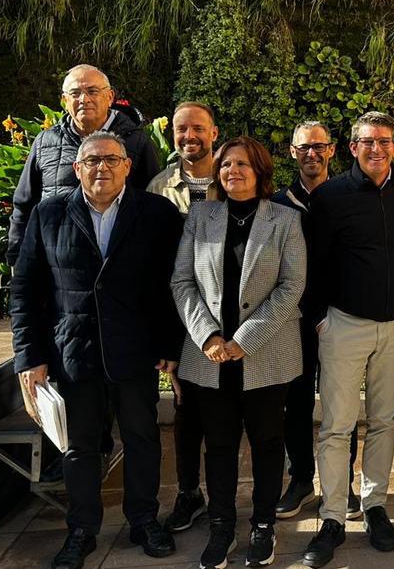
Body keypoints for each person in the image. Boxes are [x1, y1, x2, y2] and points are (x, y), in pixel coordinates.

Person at [11, 131, 183, 569]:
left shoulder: (157, 212)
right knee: (80, 448)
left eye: (111, 159)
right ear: (77, 168)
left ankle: (144, 520)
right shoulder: (49, 213)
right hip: (74, 353)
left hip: (135, 352)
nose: (101, 167)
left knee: (143, 439)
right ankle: (82, 530)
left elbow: (170, 287)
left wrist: (168, 346)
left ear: (128, 165)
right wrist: (29, 356)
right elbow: (26, 289)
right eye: (92, 161)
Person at [300, 111, 394, 568]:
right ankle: (333, 515)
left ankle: (374, 506)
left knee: (385, 420)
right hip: (343, 324)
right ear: (352, 147)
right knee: (336, 426)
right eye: (367, 142)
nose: (377, 149)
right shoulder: (330, 197)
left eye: (385, 141)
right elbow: (311, 264)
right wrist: (319, 320)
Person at [171, 136, 306, 569]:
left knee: (268, 443)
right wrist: (208, 336)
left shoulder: (285, 220)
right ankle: (221, 526)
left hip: (264, 354)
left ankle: (263, 525)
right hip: (209, 358)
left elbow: (292, 286)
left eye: (243, 164)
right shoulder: (200, 215)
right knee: (220, 446)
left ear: (261, 171)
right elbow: (182, 281)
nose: (233, 171)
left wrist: (243, 340)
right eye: (226, 164)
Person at [272, 121, 362, 522]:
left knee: (341, 404)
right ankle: (302, 479)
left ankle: (343, 485)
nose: (312, 154)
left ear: (332, 151)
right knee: (296, 403)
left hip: (340, 316)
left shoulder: (347, 196)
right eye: (304, 148)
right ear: (293, 152)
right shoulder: (277, 203)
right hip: (292, 321)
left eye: (319, 147)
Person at [146, 101, 220, 534]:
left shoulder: (233, 178)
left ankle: (229, 498)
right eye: (181, 129)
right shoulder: (159, 187)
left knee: (227, 411)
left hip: (231, 317)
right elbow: (154, 267)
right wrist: (163, 338)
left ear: (213, 132)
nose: (188, 136)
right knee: (186, 410)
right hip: (181, 318)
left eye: (197, 128)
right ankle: (190, 492)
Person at [7, 64, 160, 267]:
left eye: (92, 91)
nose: (84, 100)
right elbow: (24, 204)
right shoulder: (46, 142)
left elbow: (152, 204)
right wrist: (17, 258)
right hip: (55, 267)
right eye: (75, 93)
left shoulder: (136, 142)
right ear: (64, 100)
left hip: (119, 266)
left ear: (110, 97)